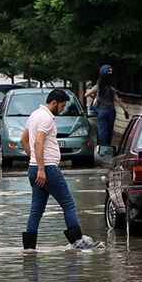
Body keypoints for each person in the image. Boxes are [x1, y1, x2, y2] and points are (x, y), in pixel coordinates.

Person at [20, 89, 97, 250]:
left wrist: (34, 160)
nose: (62, 109)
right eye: (62, 105)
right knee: (68, 204)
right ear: (54, 103)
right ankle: (78, 242)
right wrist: (41, 168)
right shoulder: (46, 118)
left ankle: (29, 249)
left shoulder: (34, 115)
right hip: (47, 168)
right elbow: (38, 142)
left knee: (36, 210)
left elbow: (23, 140)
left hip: (34, 167)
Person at [84, 64, 129, 146]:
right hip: (111, 111)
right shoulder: (111, 89)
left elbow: (86, 94)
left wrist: (94, 97)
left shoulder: (97, 87)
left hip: (101, 111)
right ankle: (108, 146)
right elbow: (117, 100)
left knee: (102, 130)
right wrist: (125, 110)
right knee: (109, 130)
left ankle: (103, 148)